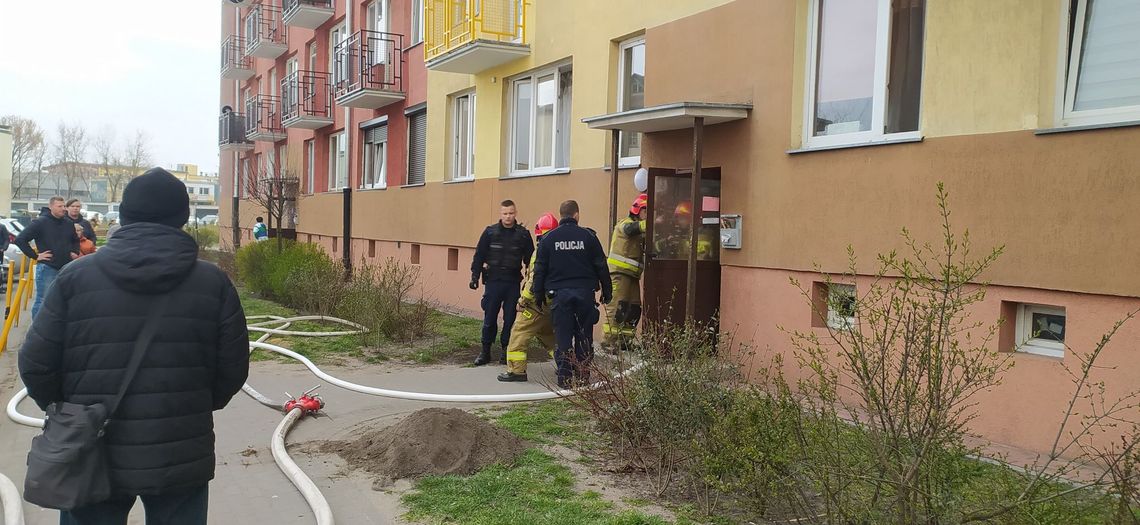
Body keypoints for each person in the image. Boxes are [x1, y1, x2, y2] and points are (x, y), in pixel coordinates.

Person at [18, 167, 250, 525]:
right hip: (180, 446)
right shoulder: (212, 282)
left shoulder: (75, 278)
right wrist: (195, 404)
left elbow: (36, 362)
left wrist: (66, 409)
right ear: (182, 218)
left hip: (91, 444)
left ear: (124, 216)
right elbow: (233, 367)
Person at [531, 200, 612, 389]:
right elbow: (601, 265)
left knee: (563, 338)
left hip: (560, 297)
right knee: (584, 337)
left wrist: (538, 295)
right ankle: (583, 377)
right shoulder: (589, 237)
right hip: (585, 295)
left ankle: (565, 379)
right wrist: (607, 291)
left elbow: (539, 270)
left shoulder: (549, 239)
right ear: (577, 215)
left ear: (561, 215)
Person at [470, 199, 534, 366]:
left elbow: (531, 260)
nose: (508, 217)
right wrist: (474, 276)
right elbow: (479, 256)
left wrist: (530, 282)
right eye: (505, 213)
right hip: (493, 281)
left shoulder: (523, 235)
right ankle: (485, 351)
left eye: (511, 213)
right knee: (489, 317)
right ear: (501, 214)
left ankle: (506, 351)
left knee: (510, 319)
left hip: (512, 282)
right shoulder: (490, 233)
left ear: (515, 213)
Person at [497, 212, 559, 383]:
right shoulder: (559, 249)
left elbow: (534, 279)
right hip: (553, 302)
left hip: (536, 303)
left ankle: (516, 370)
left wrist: (523, 300)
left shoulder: (541, 251)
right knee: (547, 335)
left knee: (519, 332)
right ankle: (566, 363)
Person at [14, 197, 80, 319]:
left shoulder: (68, 223)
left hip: (66, 267)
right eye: (59, 206)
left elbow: (75, 240)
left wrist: (75, 251)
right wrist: (35, 256)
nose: (63, 209)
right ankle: (37, 328)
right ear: (51, 207)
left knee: (63, 300)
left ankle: (54, 326)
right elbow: (20, 239)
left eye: (64, 206)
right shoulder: (40, 222)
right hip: (48, 268)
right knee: (43, 300)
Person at [604, 194, 648, 351]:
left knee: (634, 308)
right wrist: (654, 222)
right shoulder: (624, 224)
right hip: (619, 274)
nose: (647, 215)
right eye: (646, 211)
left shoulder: (641, 231)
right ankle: (609, 341)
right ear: (637, 210)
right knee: (617, 307)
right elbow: (632, 229)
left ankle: (625, 342)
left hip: (632, 276)